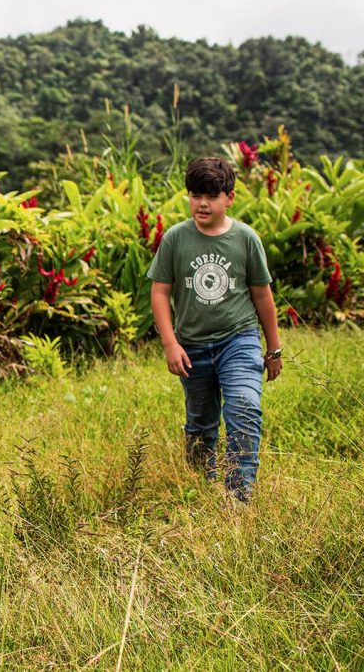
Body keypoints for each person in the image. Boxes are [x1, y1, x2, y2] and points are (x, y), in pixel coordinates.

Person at [147, 157, 283, 503]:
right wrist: (169, 343)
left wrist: (274, 347)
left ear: (229, 197)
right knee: (201, 424)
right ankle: (199, 489)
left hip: (238, 339)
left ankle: (239, 497)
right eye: (195, 195)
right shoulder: (176, 239)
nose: (202, 203)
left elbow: (262, 295)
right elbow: (160, 292)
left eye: (211, 195)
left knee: (243, 406)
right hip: (190, 345)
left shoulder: (246, 239)